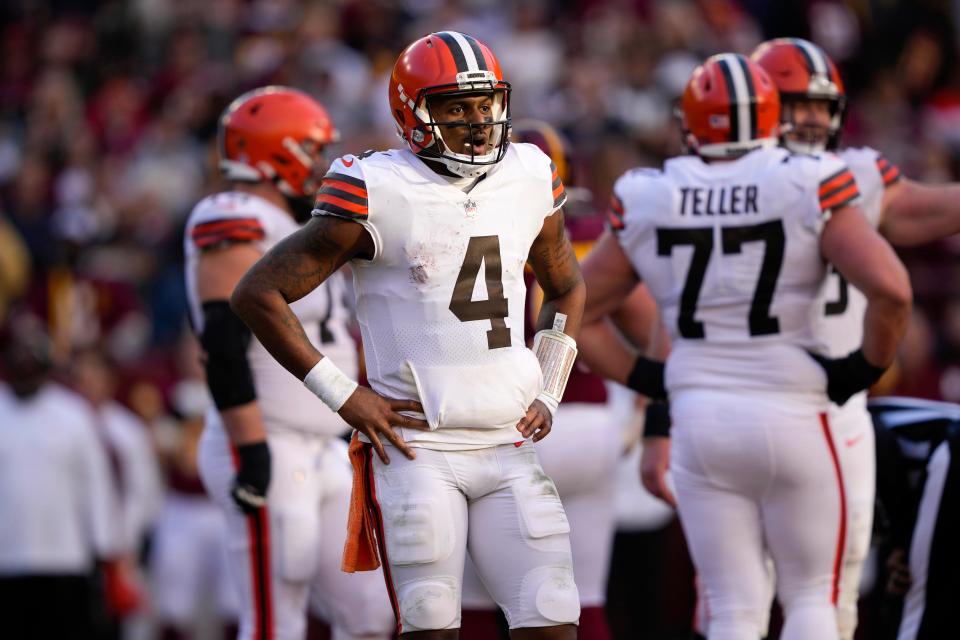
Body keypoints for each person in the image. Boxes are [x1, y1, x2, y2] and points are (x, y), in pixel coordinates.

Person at [231, 32, 585, 640]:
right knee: (431, 626)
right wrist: (344, 395)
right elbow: (256, 293)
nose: (477, 123)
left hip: (510, 442)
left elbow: (567, 288)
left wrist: (549, 387)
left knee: (553, 619)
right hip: (419, 449)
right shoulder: (375, 187)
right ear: (413, 115)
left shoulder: (528, 172)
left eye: (484, 105)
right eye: (455, 108)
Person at [578, 53, 911, 640]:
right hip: (794, 406)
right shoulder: (808, 180)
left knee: (732, 608)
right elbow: (892, 289)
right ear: (770, 116)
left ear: (689, 124)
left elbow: (573, 311)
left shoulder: (654, 192)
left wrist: (650, 379)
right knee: (814, 595)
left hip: (702, 417)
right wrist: (862, 367)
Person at [745, 37, 960, 640]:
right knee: (818, 594)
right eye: (797, 104)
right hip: (816, 403)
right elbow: (898, 280)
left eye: (821, 106)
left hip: (743, 404)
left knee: (741, 595)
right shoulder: (848, 177)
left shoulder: (705, 179)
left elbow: (920, 210)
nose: (812, 119)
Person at [183, 86, 394, 640]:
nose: (322, 164)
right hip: (268, 440)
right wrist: (251, 452)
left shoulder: (299, 225)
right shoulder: (235, 213)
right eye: (312, 149)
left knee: (371, 616)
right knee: (277, 620)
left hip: (322, 446)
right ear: (274, 152)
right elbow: (224, 346)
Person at [0, 316, 123, 638]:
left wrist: (104, 545)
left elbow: (96, 483)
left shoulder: (72, 414)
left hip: (65, 556)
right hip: (7, 555)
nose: (24, 368)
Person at [868, 396, 960, 640]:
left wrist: (900, 540)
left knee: (916, 603)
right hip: (935, 464)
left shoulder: (844, 419)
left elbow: (875, 435)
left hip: (950, 454)